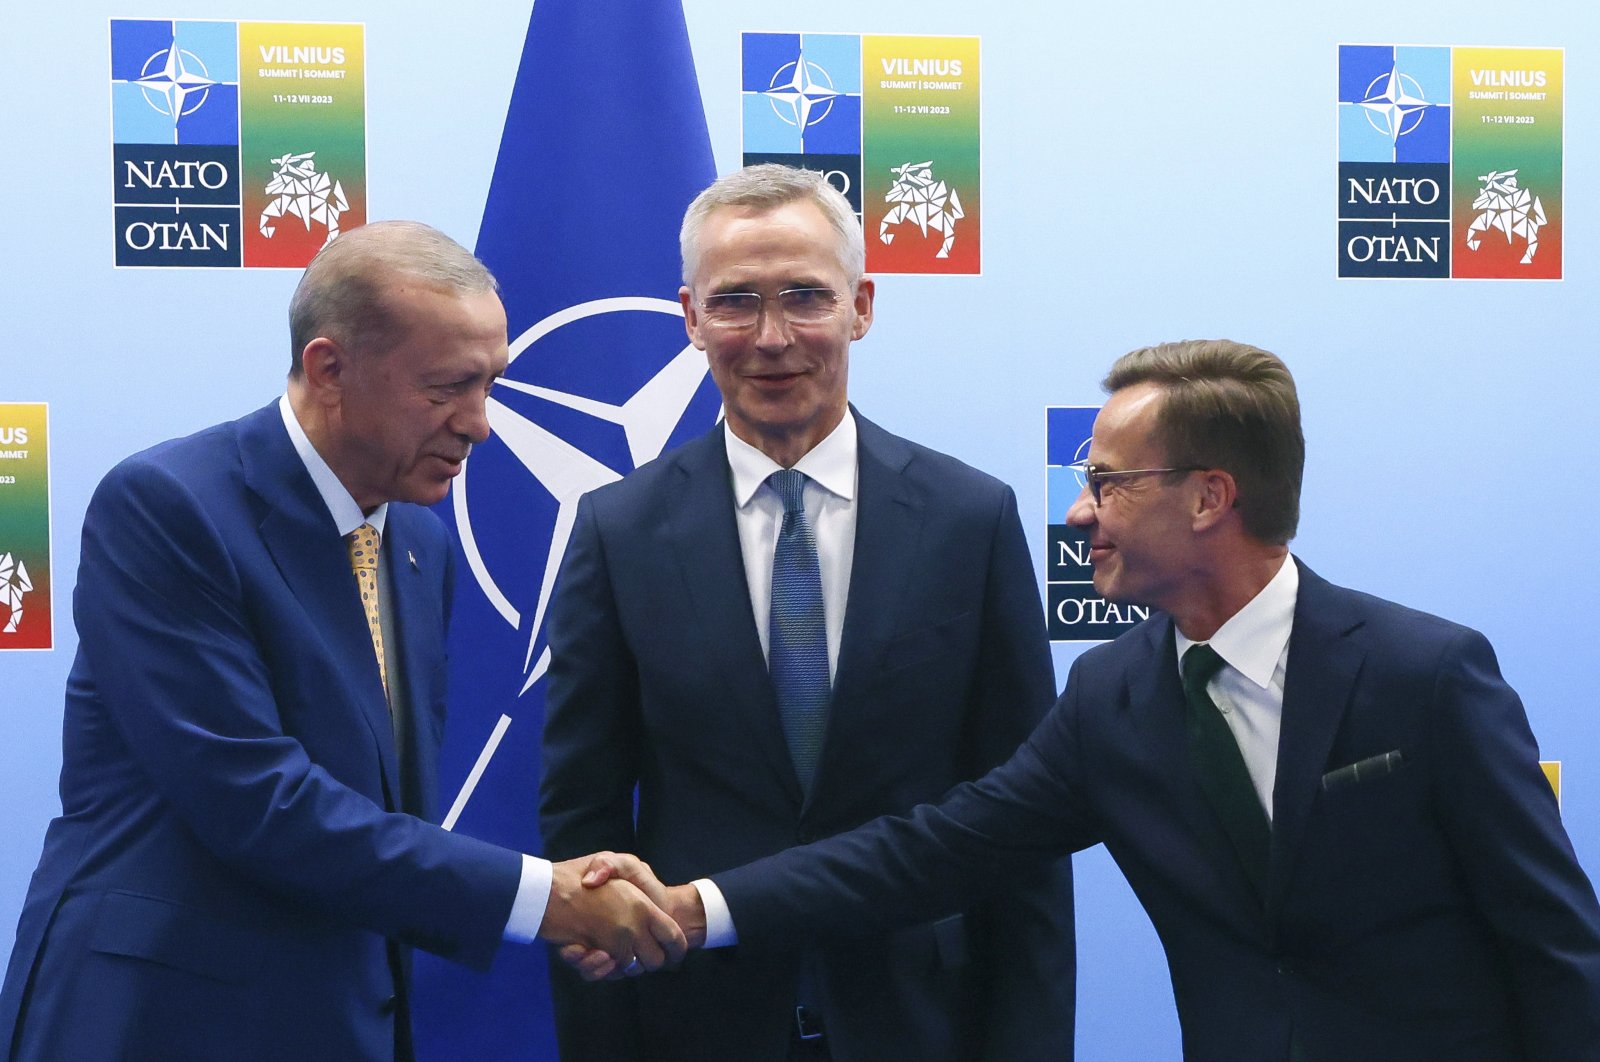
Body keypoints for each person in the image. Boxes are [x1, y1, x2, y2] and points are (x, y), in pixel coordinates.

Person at [582, 339, 1600, 1061]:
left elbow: (1555, 945)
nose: (1076, 514)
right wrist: (696, 906)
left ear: (1208, 498)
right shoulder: (1111, 697)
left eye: (1107, 485)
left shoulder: (1426, 674)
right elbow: (929, 852)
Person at [0, 221, 682, 1062]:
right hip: (163, 1019)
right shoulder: (169, 508)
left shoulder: (419, 544)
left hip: (341, 1015)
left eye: (490, 385)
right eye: (447, 389)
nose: (481, 425)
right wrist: (542, 897)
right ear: (329, 369)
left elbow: (386, 808)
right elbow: (256, 799)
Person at [538, 164, 1075, 1061]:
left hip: (921, 1024)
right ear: (691, 317)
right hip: (697, 1025)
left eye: (806, 297)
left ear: (862, 306)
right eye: (736, 302)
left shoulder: (969, 520)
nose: (772, 337)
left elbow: (1022, 829)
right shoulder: (618, 531)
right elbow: (584, 829)